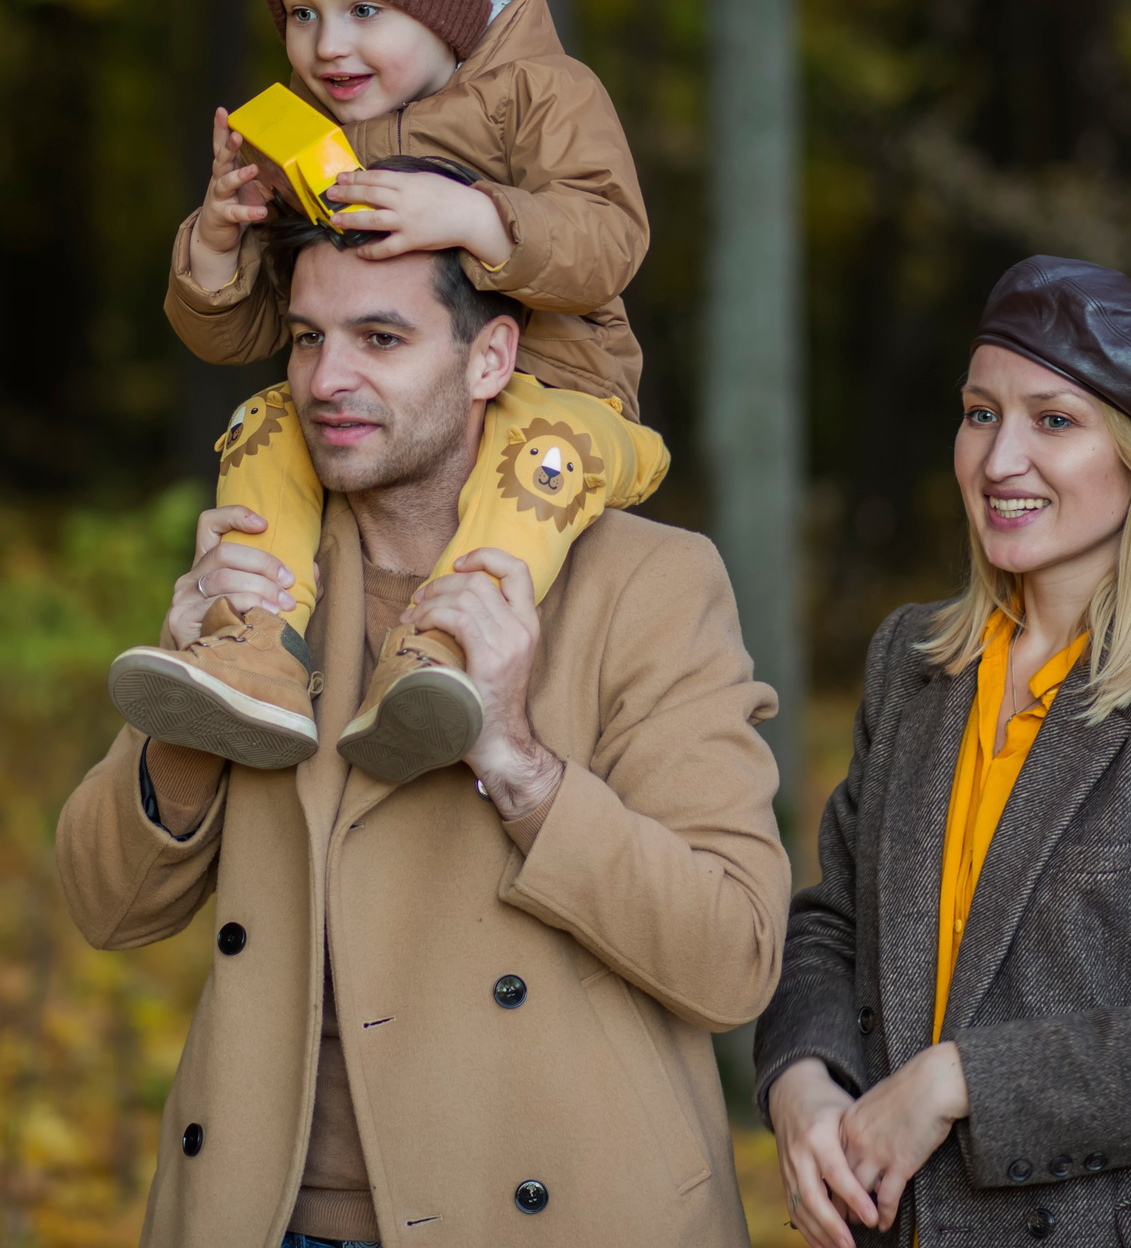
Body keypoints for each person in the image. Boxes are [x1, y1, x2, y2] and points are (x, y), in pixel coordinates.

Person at [56, 220, 787, 1247]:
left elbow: (733, 958)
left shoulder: (646, 582)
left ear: (489, 358)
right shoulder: (268, 569)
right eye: (307, 339)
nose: (326, 379)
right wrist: (196, 704)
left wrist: (518, 762)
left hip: (550, 1219)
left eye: (380, 339)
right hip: (258, 1218)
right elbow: (106, 905)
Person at [755, 255, 1131, 1248]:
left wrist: (959, 1082)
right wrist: (803, 1084)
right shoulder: (914, 663)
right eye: (980, 413)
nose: (1000, 460)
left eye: (1054, 420)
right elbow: (833, 925)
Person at [105, 0, 667, 787]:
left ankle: (440, 655)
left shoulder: (539, 93)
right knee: (264, 425)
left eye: (365, 11)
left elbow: (611, 237)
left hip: (565, 396)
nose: (328, 46)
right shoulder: (314, 137)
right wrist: (221, 241)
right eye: (302, 13)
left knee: (534, 457)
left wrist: (480, 219)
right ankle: (254, 641)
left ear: (442, 10)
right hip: (400, 419)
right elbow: (248, 330)